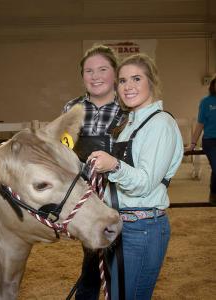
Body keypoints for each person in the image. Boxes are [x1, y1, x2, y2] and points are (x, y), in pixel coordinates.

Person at [88, 53, 184, 299]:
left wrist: (113, 166)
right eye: (122, 81)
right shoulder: (129, 124)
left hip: (142, 229)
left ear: (151, 82)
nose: (128, 86)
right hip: (120, 225)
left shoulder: (160, 124)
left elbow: (144, 183)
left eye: (136, 79)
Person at [63, 44, 126, 300]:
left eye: (102, 69)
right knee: (91, 259)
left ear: (115, 73)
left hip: (122, 193)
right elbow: (64, 149)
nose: (95, 76)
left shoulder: (128, 107)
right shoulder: (72, 108)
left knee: (121, 263)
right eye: (89, 71)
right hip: (89, 196)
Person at [188, 75, 216, 204]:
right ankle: (214, 194)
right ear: (212, 85)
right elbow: (200, 124)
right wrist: (193, 144)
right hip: (210, 140)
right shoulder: (206, 102)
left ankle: (214, 193)